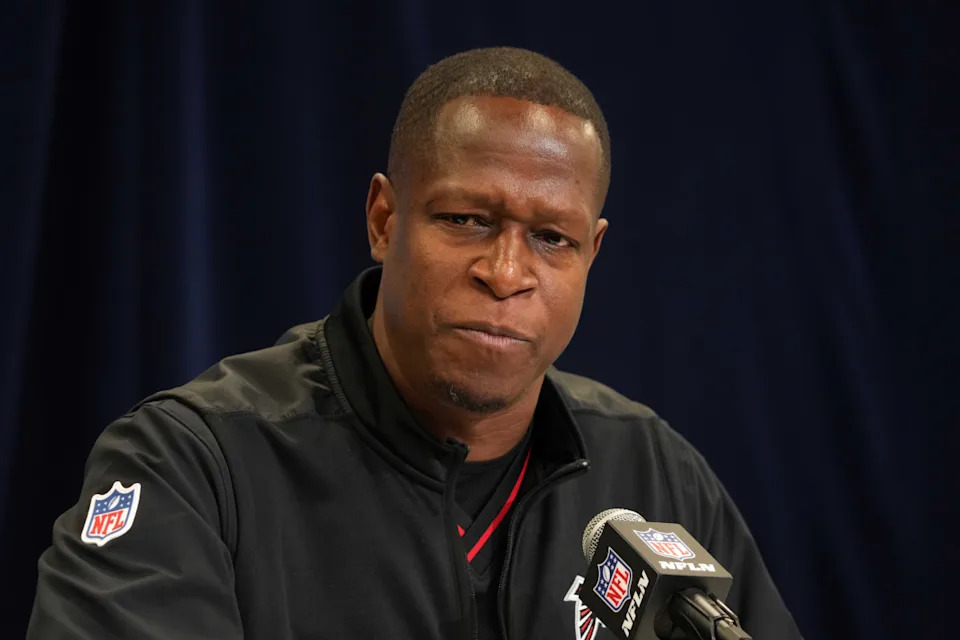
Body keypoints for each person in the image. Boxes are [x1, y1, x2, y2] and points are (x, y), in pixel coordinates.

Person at [28, 46, 802, 639]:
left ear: (591, 254)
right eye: (467, 220)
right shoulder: (193, 465)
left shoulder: (657, 477)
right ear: (384, 220)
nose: (506, 273)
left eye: (551, 239)